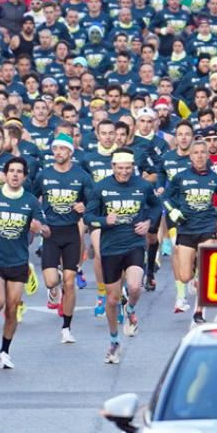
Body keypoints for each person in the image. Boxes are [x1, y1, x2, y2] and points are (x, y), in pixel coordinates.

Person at [0, 156, 47, 369]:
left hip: (18, 260)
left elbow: (46, 229)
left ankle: (4, 351)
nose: (15, 174)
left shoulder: (31, 201)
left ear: (24, 176)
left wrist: (38, 228)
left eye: (19, 171)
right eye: (11, 170)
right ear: (5, 175)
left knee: (12, 308)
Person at [86, 149, 156, 365]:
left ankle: (132, 309)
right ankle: (114, 341)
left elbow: (156, 206)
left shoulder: (143, 186)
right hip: (110, 248)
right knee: (113, 299)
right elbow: (89, 216)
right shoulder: (102, 187)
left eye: (128, 168)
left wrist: (148, 223)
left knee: (135, 287)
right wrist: (105, 221)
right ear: (113, 167)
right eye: (120, 168)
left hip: (134, 243)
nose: (124, 172)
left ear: (133, 167)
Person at [163, 139, 217, 323]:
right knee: (185, 277)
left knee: (205, 267)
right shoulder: (180, 177)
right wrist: (173, 210)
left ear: (208, 155)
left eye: (203, 152)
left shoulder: (215, 178)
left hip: (207, 227)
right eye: (196, 153)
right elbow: (165, 197)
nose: (200, 156)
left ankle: (199, 312)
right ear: (191, 156)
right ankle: (193, 272)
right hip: (186, 228)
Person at [31, 134, 90, 344]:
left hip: (71, 232)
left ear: (70, 152)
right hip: (50, 234)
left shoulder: (81, 176)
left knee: (70, 282)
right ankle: (53, 289)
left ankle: (66, 327)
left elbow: (93, 200)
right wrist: (38, 222)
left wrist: (84, 206)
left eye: (62, 149)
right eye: (55, 149)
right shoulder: (43, 175)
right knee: (51, 281)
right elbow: (31, 198)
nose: (58, 152)